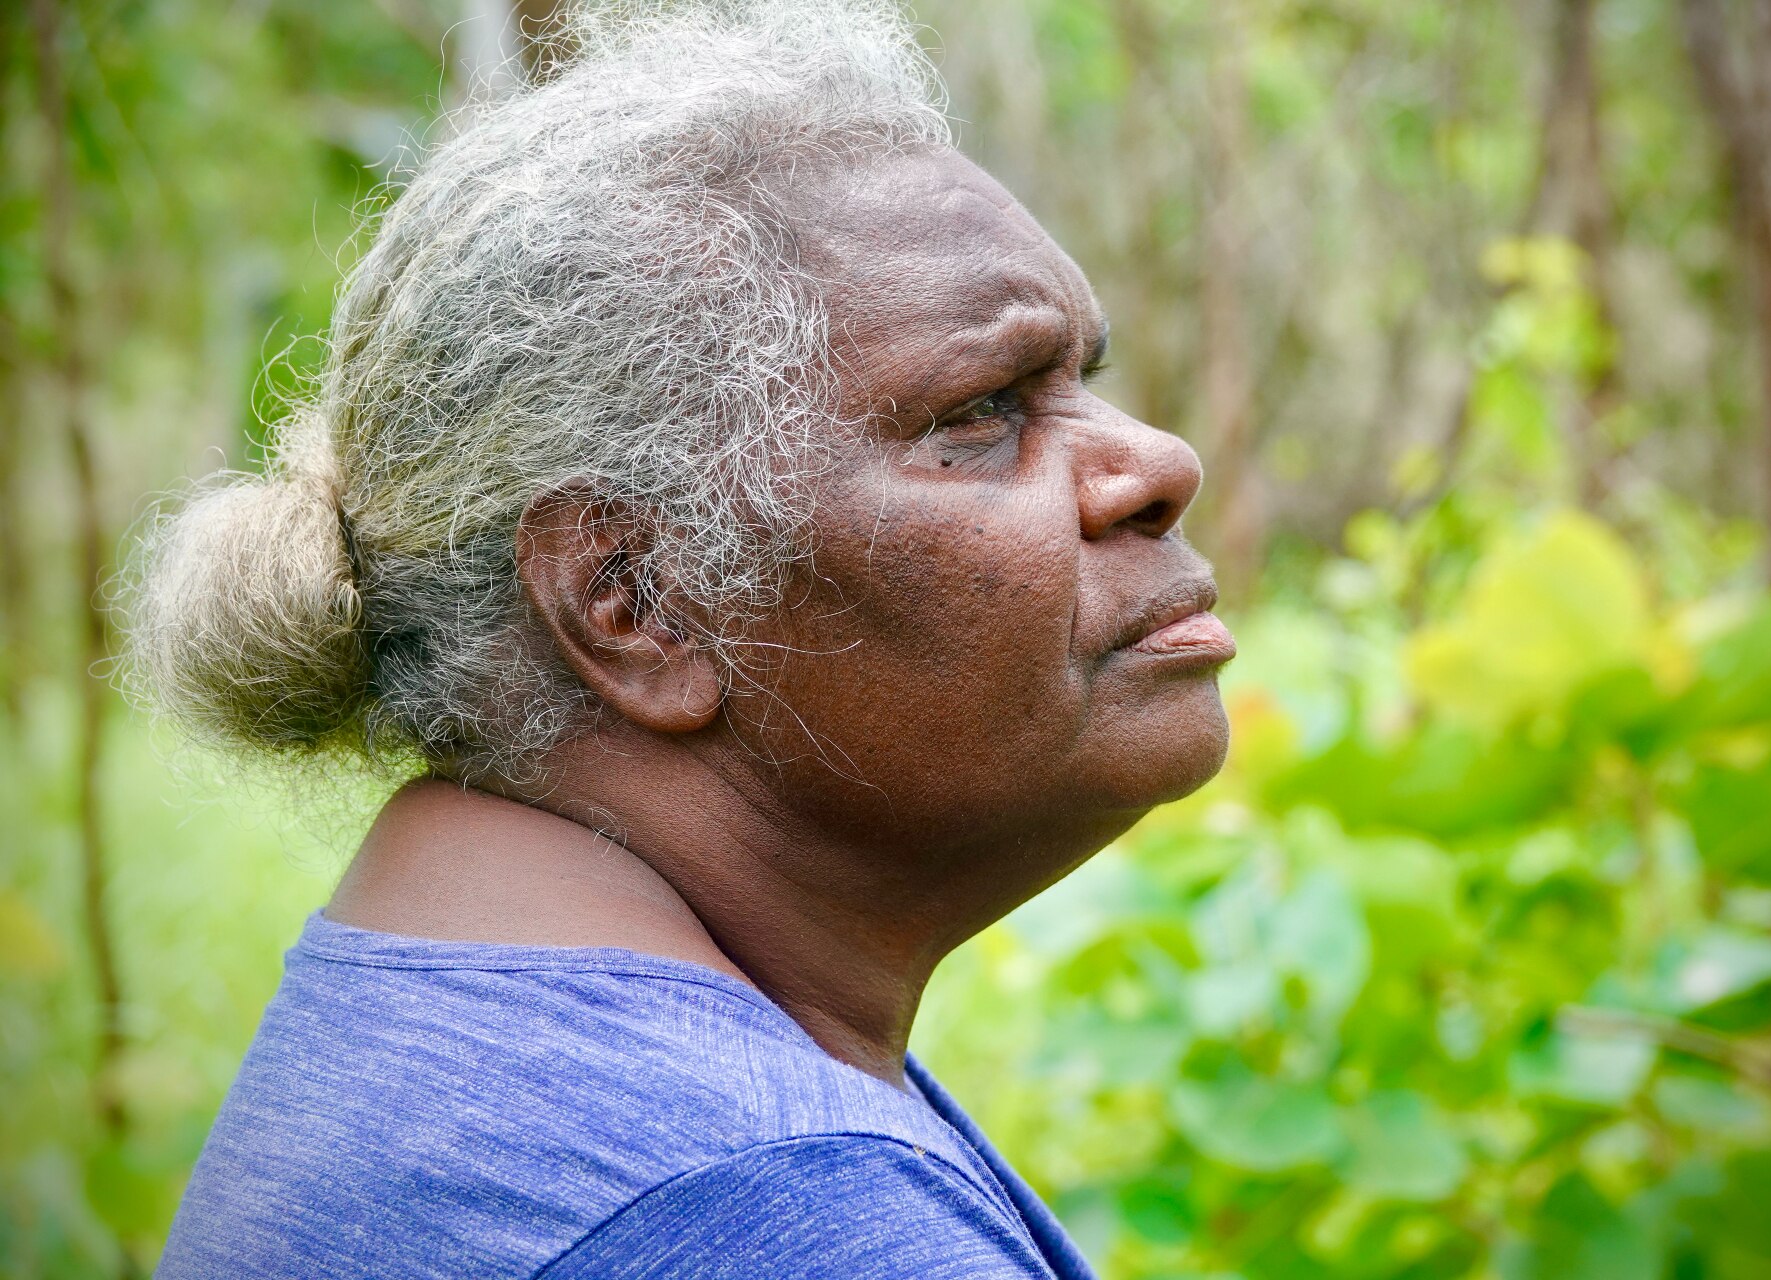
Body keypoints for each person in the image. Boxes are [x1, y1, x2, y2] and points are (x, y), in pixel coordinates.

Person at [130, 2, 1235, 1275]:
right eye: (982, 411)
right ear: (633, 604)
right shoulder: (755, 1206)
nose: (1158, 463)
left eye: (1080, 380)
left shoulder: (468, 1012)